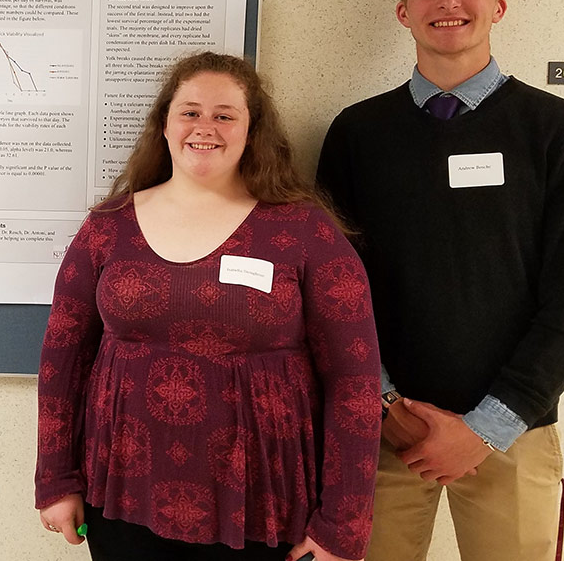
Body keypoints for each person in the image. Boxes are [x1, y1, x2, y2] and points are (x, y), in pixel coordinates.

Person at [315, 0, 564, 561]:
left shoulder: (558, 130)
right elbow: (334, 295)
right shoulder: (357, 135)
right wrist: (387, 403)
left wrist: (486, 429)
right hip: (385, 432)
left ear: (498, 5)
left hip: (515, 428)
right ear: (403, 10)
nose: (449, 2)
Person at [35, 52, 381, 561]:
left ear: (251, 130)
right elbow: (62, 358)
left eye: (225, 114)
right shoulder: (107, 227)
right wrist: (56, 478)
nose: (205, 127)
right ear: (165, 125)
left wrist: (344, 522)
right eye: (190, 111)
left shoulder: (305, 232)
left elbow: (355, 383)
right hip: (122, 491)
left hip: (264, 502)